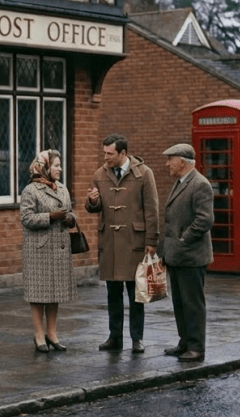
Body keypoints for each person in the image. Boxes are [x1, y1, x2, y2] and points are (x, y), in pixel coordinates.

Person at [86, 134, 159, 353]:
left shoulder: (144, 174)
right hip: (110, 243)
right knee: (112, 294)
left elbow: (152, 209)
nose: (105, 157)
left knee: (137, 294)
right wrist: (92, 201)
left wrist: (152, 240)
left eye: (110, 154)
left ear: (123, 154)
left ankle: (137, 339)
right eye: (104, 153)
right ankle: (114, 337)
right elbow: (93, 208)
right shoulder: (99, 174)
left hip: (135, 242)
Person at [158, 143, 214, 362]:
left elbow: (205, 219)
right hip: (177, 255)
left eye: (170, 159)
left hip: (191, 255)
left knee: (193, 304)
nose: (167, 164)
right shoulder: (180, 182)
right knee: (180, 303)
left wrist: (184, 239)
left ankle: (197, 348)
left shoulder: (200, 184)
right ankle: (185, 342)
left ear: (182, 162)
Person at [20, 150, 78, 352]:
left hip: (59, 248)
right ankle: (38, 336)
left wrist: (70, 218)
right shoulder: (31, 190)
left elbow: (70, 213)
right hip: (39, 250)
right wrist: (50, 216)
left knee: (55, 294)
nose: (59, 169)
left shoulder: (62, 188)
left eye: (60, 165)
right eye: (56, 165)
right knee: (38, 295)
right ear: (44, 167)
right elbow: (26, 219)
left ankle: (52, 333)